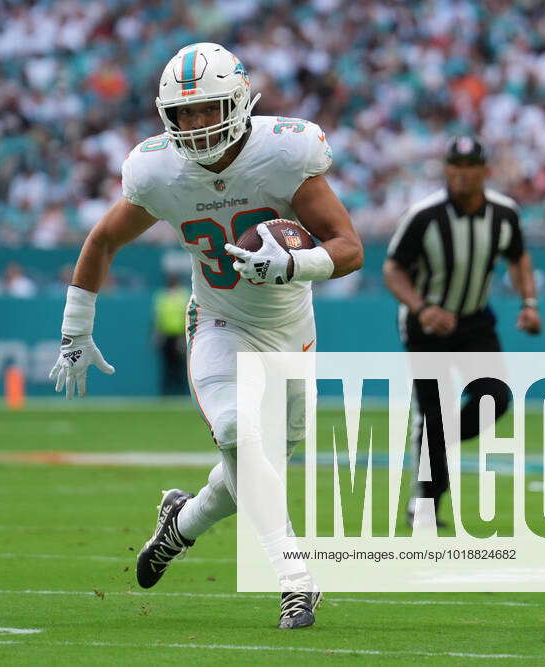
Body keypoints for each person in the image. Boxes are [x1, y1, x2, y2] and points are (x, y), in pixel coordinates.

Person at [48, 43, 363, 629]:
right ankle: (295, 578)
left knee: (258, 462)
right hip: (219, 322)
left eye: (207, 109)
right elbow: (102, 240)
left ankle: (181, 524)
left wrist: (294, 264)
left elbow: (349, 248)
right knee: (239, 434)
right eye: (184, 114)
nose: (194, 125)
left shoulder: (283, 153)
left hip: (292, 329)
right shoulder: (158, 170)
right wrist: (75, 330)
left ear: (240, 102)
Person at [383, 135, 542, 527]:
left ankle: (439, 438)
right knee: (433, 412)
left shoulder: (504, 214)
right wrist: (422, 308)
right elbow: (393, 269)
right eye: (455, 167)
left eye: (470, 168)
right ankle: (425, 504)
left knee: (495, 398)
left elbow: (518, 257)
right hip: (426, 326)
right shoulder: (425, 215)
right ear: (446, 170)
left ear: (485, 171)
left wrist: (529, 303)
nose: (462, 175)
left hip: (474, 321)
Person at [153, 274, 190, 395]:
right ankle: (166, 394)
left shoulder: (183, 295)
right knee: (166, 366)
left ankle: (181, 393)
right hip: (166, 335)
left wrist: (184, 337)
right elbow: (158, 316)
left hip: (179, 335)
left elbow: (187, 316)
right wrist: (157, 334)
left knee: (180, 366)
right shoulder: (162, 296)